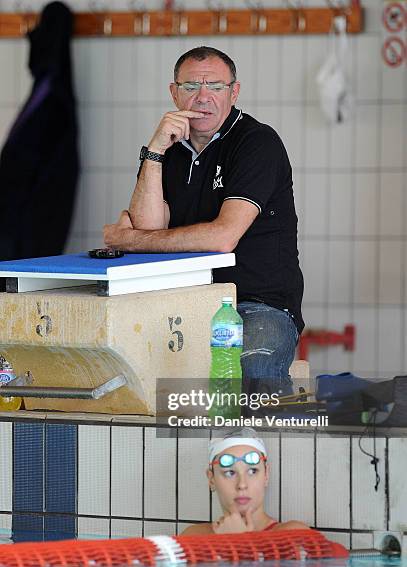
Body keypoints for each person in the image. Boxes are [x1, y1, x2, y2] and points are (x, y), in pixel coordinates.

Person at [103, 46, 304, 388]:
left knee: (251, 381)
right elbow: (150, 227)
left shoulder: (257, 143)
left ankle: (250, 444)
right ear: (174, 92)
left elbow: (222, 238)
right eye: (191, 87)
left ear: (234, 92)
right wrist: (154, 149)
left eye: (215, 86)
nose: (203, 98)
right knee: (134, 378)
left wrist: (129, 240)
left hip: (255, 305)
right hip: (184, 304)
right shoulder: (167, 149)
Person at [181, 428, 309, 535]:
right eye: (230, 473)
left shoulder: (293, 535)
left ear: (266, 475)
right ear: (211, 479)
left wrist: (236, 541)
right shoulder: (194, 537)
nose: (242, 484)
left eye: (252, 471)